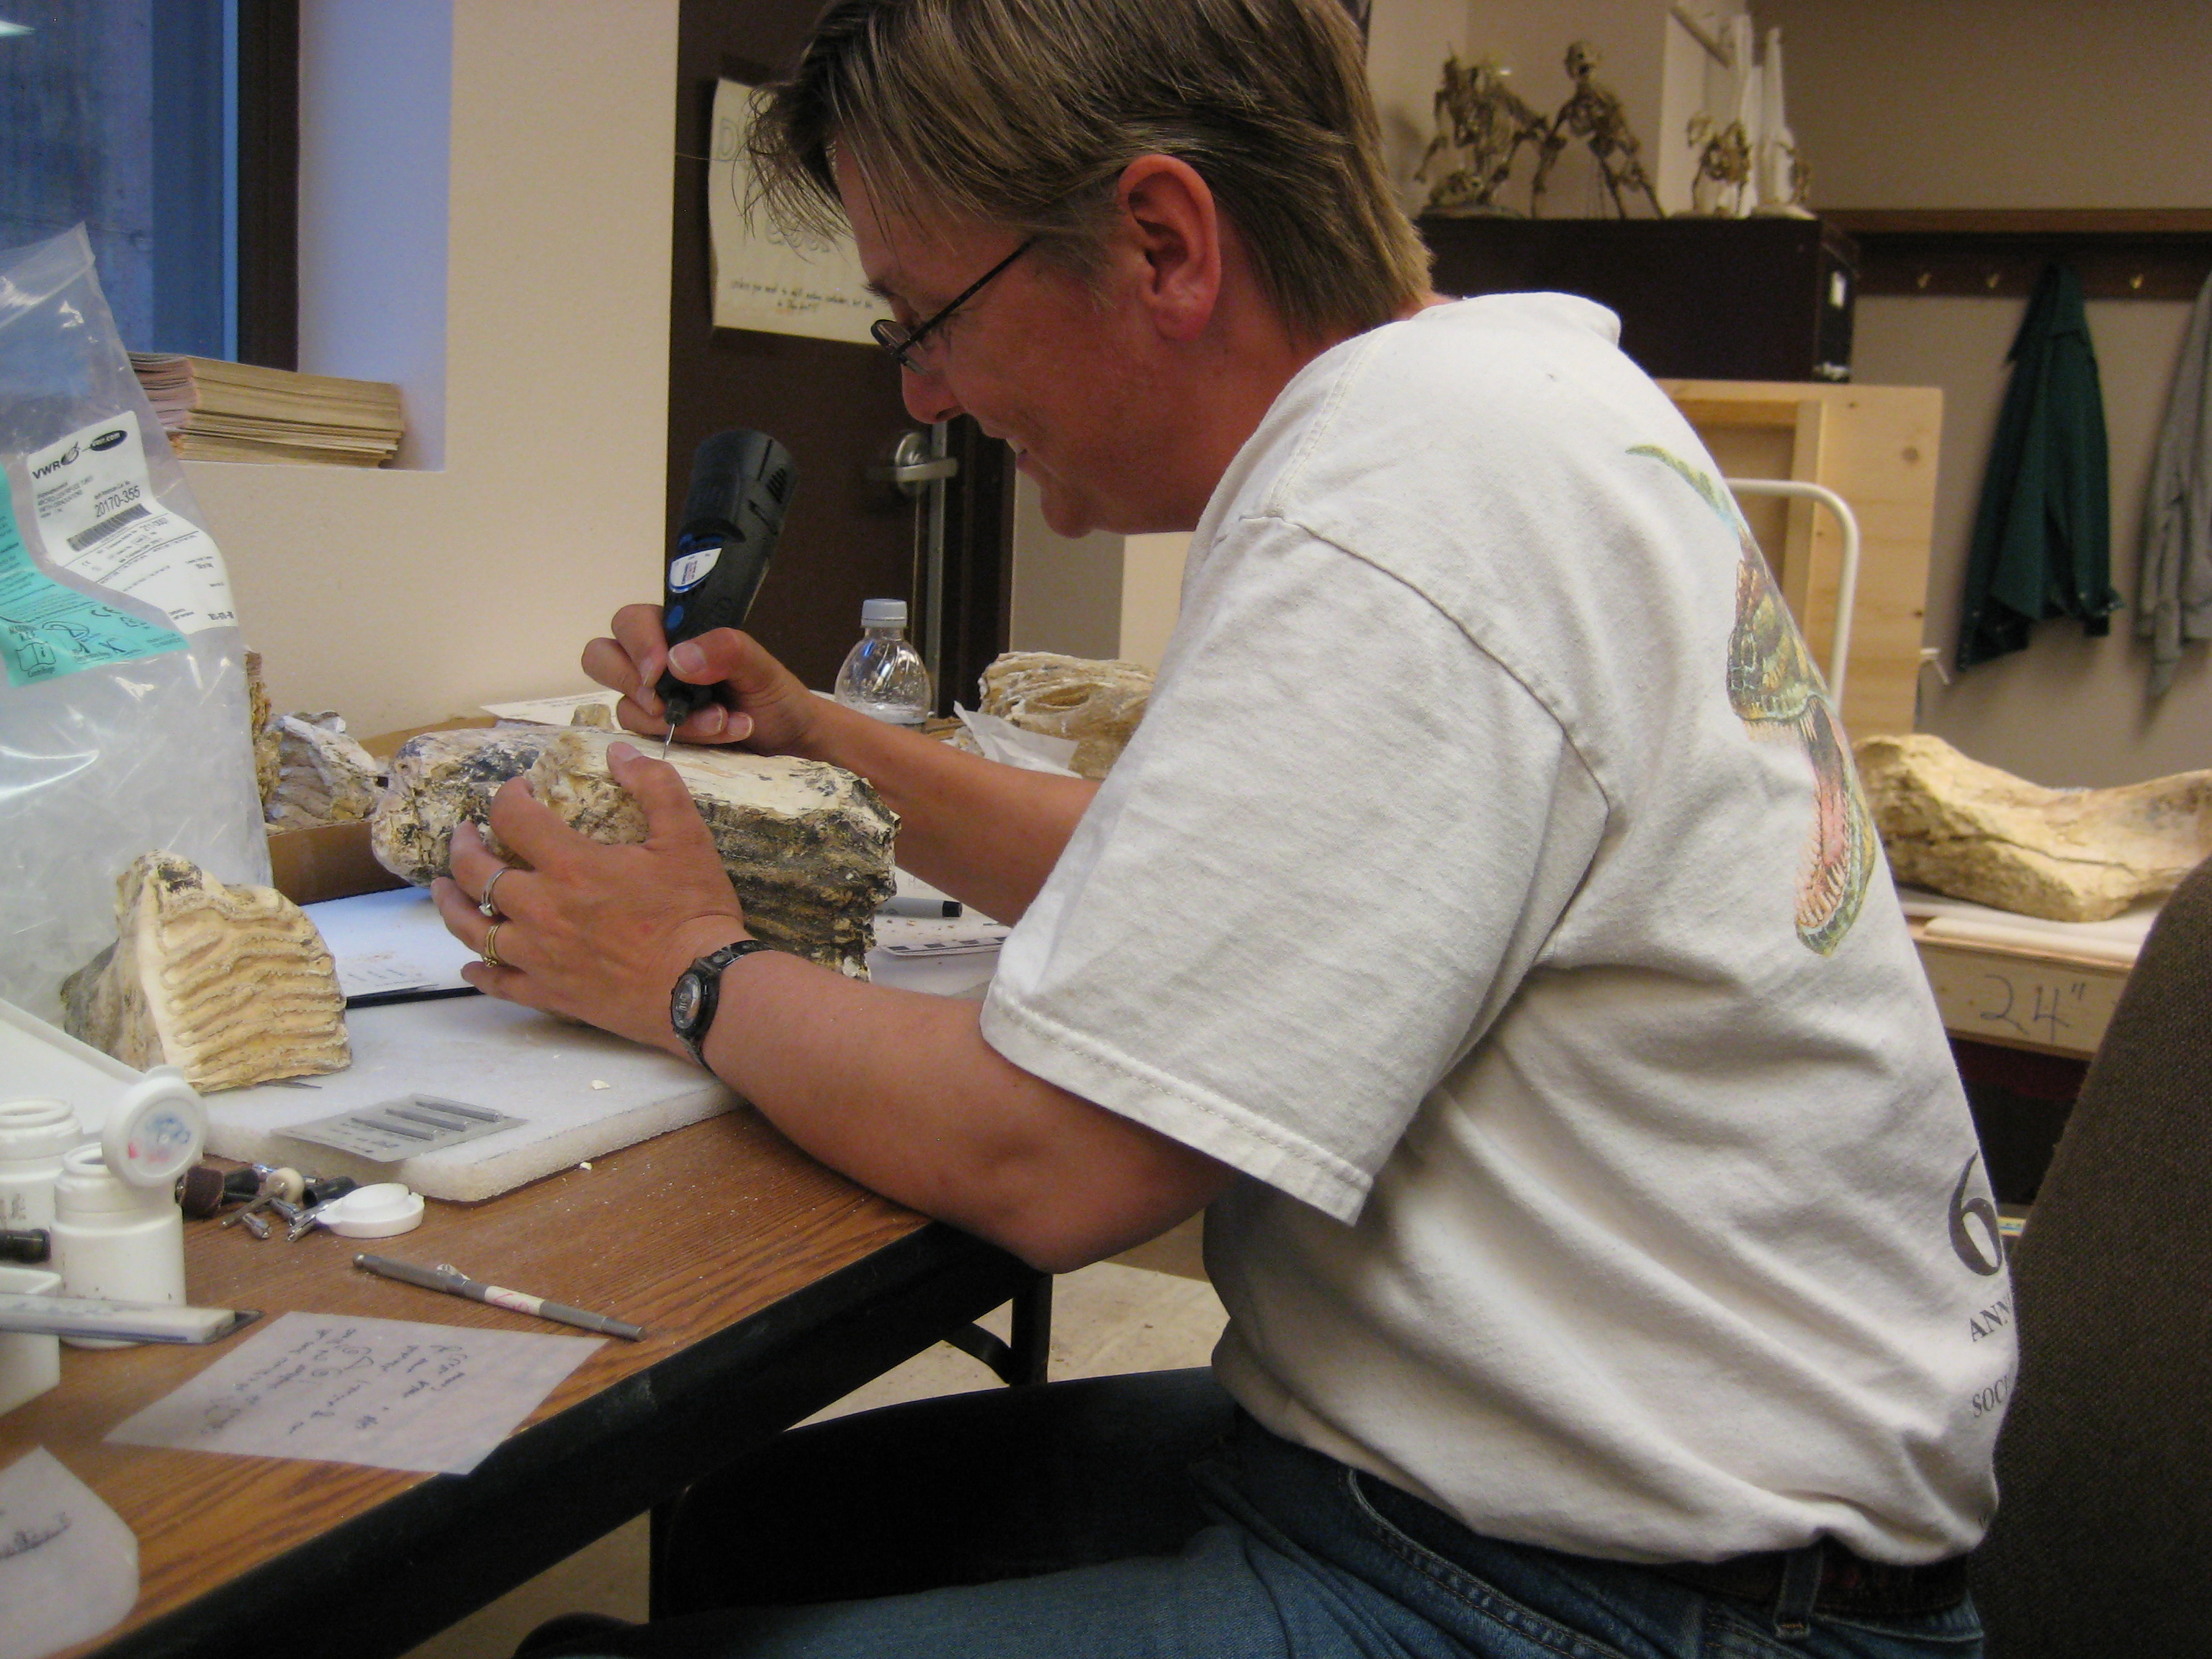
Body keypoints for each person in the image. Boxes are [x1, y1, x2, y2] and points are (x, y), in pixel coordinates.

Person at [431, 1, 2014, 1654]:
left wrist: (685, 970)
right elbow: (1210, 887)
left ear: (1164, 245)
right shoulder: (1492, 409)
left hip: (1632, 1597)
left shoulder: (1396, 511)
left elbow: (1049, 1156)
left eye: (929, 321)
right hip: (1543, 1484)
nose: (926, 394)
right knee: (765, 1524)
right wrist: (823, 739)